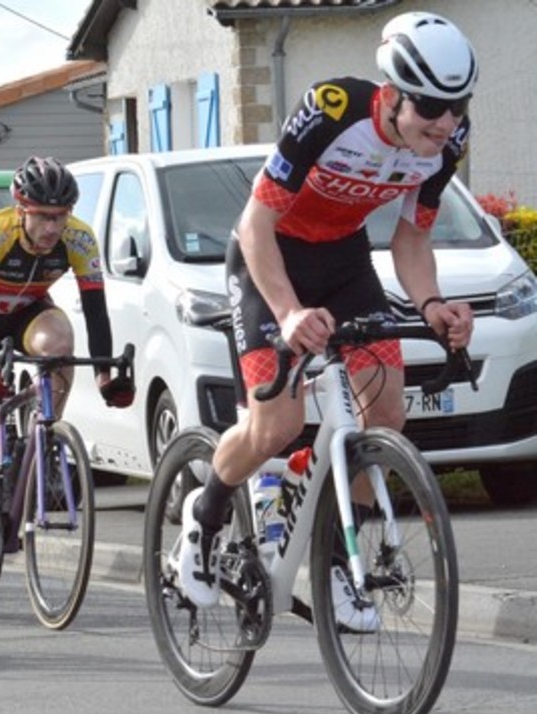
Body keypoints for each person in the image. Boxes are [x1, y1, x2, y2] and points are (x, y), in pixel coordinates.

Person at [177, 11, 477, 632]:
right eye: (430, 107)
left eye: (458, 106)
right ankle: (203, 516)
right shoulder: (332, 109)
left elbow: (412, 240)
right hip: (269, 258)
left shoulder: (447, 141)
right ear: (392, 94)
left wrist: (432, 305)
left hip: (343, 263)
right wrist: (288, 313)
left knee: (385, 412)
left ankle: (337, 563)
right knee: (277, 425)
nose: (446, 122)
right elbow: (255, 225)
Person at [0, 155, 134, 592]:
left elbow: (96, 313)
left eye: (61, 216)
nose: (53, 227)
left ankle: (43, 437)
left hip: (28, 312)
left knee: (60, 345)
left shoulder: (79, 239)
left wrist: (105, 376)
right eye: (43, 217)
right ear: (21, 210)